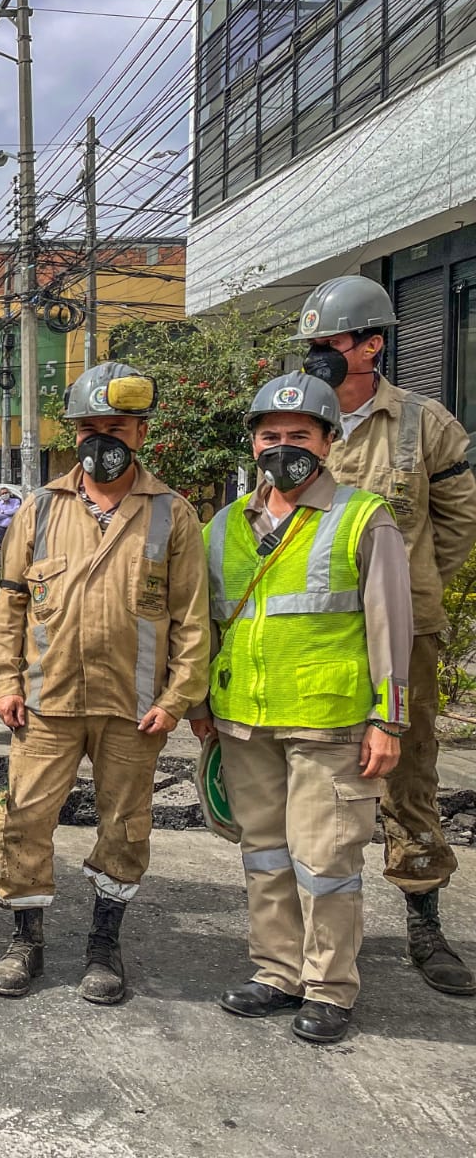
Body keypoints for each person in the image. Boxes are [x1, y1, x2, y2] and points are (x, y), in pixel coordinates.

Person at [194, 372, 411, 1044]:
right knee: (264, 854)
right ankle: (278, 971)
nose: (282, 446)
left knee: (326, 862)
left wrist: (388, 719)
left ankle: (329, 987)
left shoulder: (362, 516)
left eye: (298, 434)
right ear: (253, 443)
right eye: (270, 435)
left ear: (326, 442)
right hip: (244, 720)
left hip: (330, 722)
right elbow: (205, 623)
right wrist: (200, 703)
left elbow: (391, 624)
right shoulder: (224, 525)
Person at [0, 361, 211, 1002]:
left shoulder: (172, 514)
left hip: (134, 709)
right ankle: (26, 941)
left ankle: (103, 945)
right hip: (45, 702)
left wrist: (177, 698)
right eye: (90, 429)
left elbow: (192, 618)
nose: (101, 441)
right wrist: (6, 682)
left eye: (116, 428)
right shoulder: (40, 510)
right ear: (74, 434)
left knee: (124, 827)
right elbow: (10, 604)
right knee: (24, 820)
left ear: (141, 433)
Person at [294, 274, 476, 997]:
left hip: (403, 639)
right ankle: (316, 929)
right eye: (310, 343)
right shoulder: (295, 416)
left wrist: (402, 592)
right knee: (314, 776)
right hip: (312, 634)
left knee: (408, 772)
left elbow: (457, 523)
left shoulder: (423, 423)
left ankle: (424, 920)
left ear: (371, 345)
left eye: (330, 341)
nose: (317, 353)